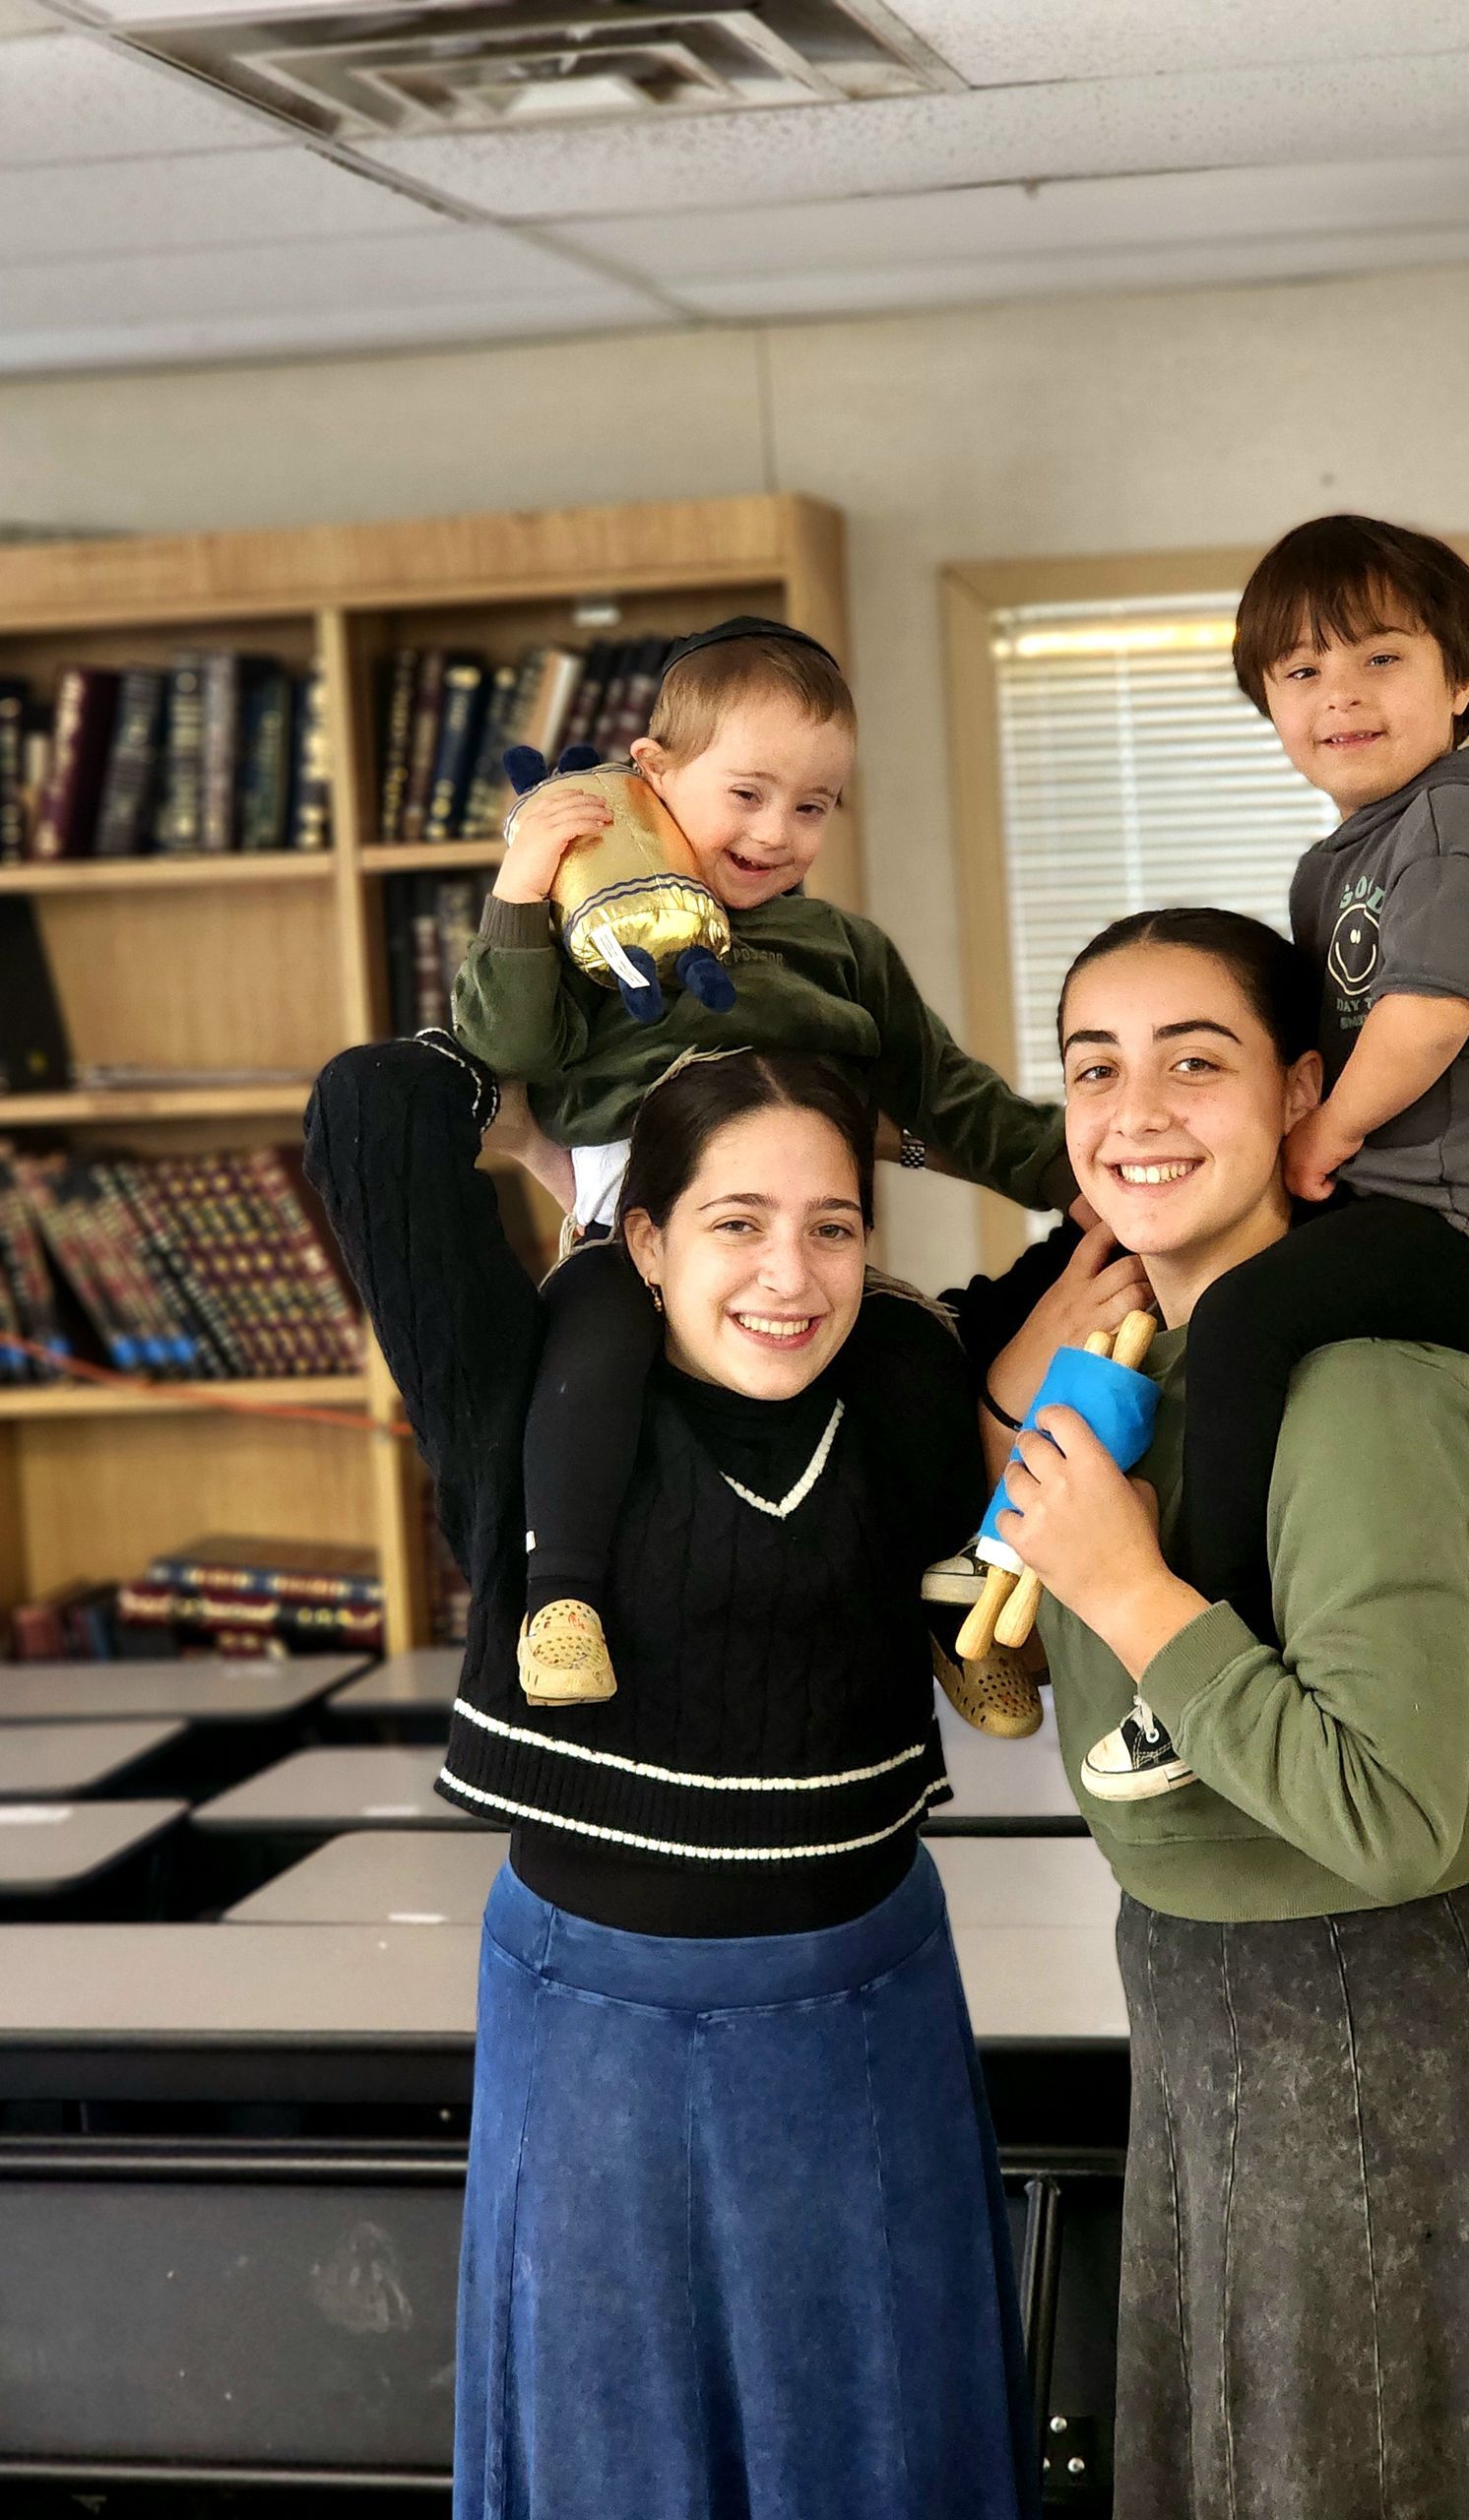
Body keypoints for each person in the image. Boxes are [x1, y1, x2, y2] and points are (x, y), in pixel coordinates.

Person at [303, 1034, 1039, 2520]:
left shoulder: (909, 1390)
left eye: (832, 1226)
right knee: (608, 2459)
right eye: (735, 1223)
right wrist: (549, 1039)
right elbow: (366, 1114)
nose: (791, 1273)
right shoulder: (522, 1405)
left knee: (882, 2449)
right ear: (643, 1237)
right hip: (594, 2033)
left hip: (866, 2015)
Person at [984, 908, 1469, 2520]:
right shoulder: (1150, 1367)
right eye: (1095, 1069)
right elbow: (1031, 1692)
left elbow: (1396, 1813)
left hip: (1363, 2030)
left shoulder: (1356, 1386)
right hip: (1211, 2008)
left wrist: (1129, 1585)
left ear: (1299, 1092)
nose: (1136, 1111)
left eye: (1193, 1062)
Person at [1082, 516, 1469, 1798]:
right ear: (1267, 702)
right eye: (1300, 673)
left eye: (1380, 659)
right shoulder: (1368, 848)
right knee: (1137, 1269)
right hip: (1424, 1212)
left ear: (1459, 682)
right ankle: (1027, 1544)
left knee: (1244, 1315)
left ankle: (1211, 1639)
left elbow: (1428, 1016)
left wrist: (1321, 1132)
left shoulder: (1450, 823)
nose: (1340, 696)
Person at [450, 617, 1073, 1722]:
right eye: (746, 794)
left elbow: (944, 1094)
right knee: (585, 1351)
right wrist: (523, 882)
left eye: (812, 806)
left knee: (918, 1351)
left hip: (800, 1238)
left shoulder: (845, 950)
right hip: (629, 1242)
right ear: (654, 774)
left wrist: (1067, 1175)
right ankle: (563, 1602)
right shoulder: (594, 927)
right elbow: (509, 1051)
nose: (776, 831)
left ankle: (949, 1603)